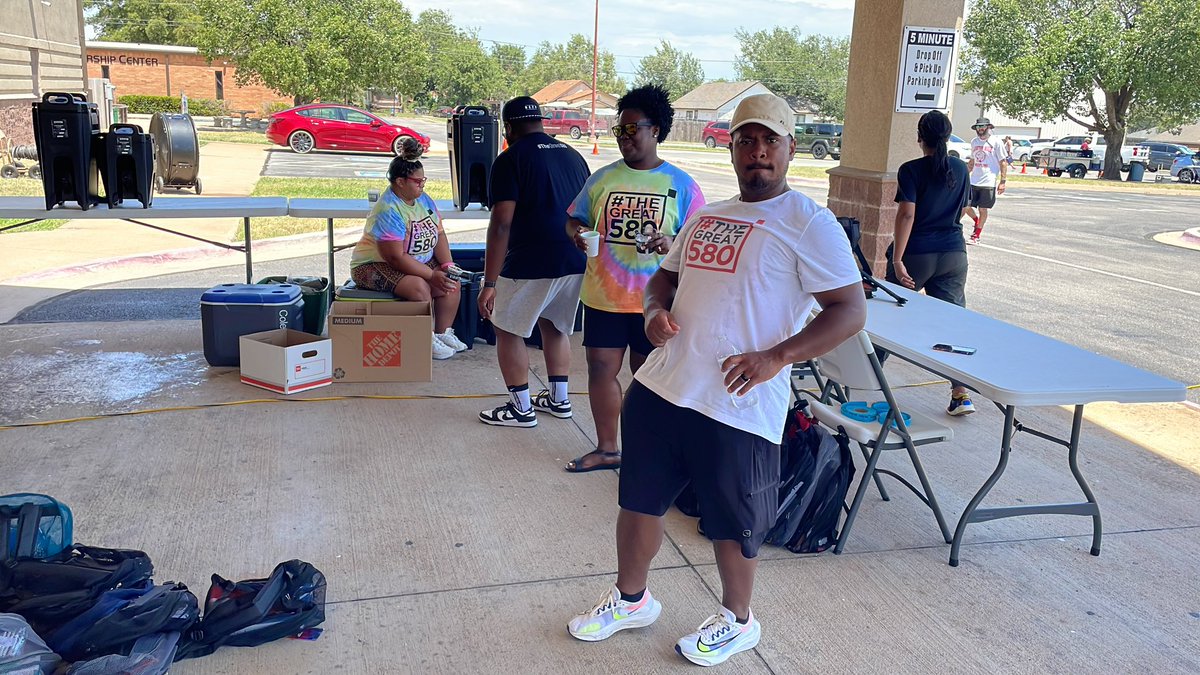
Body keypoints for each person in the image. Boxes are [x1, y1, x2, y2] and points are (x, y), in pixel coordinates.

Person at [565, 93, 866, 666]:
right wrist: (653, 314)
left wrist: (777, 357)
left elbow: (849, 311)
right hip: (664, 384)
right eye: (747, 140)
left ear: (790, 149)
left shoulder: (809, 222)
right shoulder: (707, 215)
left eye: (770, 141)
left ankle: (738, 619)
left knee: (734, 521)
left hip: (738, 398)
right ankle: (633, 600)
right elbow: (663, 279)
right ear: (731, 148)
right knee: (639, 502)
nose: (758, 152)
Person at [562, 84, 705, 473]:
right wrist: (577, 233)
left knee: (650, 381)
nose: (624, 138)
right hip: (604, 297)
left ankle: (648, 456)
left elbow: (698, 242)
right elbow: (574, 218)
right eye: (619, 131)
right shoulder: (602, 179)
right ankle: (608, 449)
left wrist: (670, 241)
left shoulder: (683, 185)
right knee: (600, 371)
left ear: (655, 130)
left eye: (632, 129)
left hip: (654, 303)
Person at [476, 96, 590, 427]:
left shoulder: (510, 159)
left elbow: (501, 224)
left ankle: (521, 408)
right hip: (574, 258)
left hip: (531, 259)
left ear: (508, 128)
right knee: (554, 326)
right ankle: (559, 400)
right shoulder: (573, 155)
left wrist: (490, 284)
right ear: (541, 121)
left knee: (506, 327)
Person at [888, 110, 976, 416]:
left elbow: (907, 214)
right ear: (948, 136)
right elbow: (964, 209)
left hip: (916, 255)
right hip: (954, 253)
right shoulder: (961, 168)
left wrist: (898, 259)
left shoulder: (910, 170)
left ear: (919, 137)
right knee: (953, 324)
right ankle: (961, 393)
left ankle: (868, 384)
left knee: (888, 316)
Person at [348, 137, 466, 361]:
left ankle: (443, 332)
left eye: (424, 180)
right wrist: (432, 275)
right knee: (419, 287)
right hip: (374, 264)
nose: (422, 185)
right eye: (417, 181)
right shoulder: (388, 209)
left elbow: (439, 233)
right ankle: (426, 337)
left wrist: (448, 265)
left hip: (413, 260)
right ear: (400, 182)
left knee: (452, 281)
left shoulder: (424, 200)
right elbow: (394, 257)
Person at [962, 116, 1007, 245]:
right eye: (978, 127)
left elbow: (1003, 162)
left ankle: (977, 235)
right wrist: (965, 175)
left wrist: (1002, 182)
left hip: (988, 181)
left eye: (982, 126)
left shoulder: (996, 142)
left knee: (983, 209)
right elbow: (972, 161)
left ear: (988, 127)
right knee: (966, 206)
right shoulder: (974, 142)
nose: (980, 129)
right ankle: (976, 220)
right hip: (974, 180)